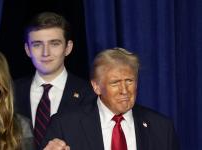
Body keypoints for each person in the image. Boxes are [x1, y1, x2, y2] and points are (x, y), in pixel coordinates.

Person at [42, 48, 179, 150]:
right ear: (96, 87)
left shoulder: (161, 127)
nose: (124, 90)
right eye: (115, 83)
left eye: (129, 81)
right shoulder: (65, 125)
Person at [14, 12, 95, 148]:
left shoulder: (89, 94)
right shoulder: (10, 92)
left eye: (54, 44)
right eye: (37, 44)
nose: (46, 53)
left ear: (68, 48)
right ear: (27, 49)